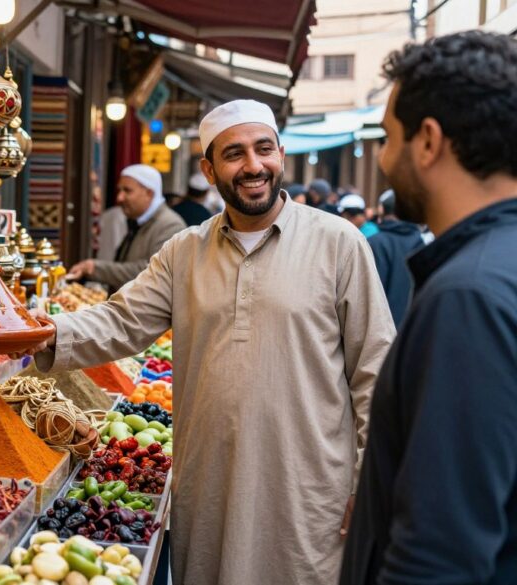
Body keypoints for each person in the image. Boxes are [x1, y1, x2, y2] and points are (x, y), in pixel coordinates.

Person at [24, 99, 395, 585]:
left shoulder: (339, 243)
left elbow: (377, 367)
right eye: (234, 154)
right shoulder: (184, 251)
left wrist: (367, 483)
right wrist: (42, 332)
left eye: (264, 149)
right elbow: (121, 320)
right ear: (210, 168)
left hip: (308, 486)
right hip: (210, 487)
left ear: (281, 154)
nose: (253, 166)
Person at [341, 31, 517, 585]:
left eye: (388, 137)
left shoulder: (468, 297)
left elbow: (438, 552)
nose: (383, 156)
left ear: (428, 141)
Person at [69, 164, 186, 289]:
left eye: (127, 190)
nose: (120, 197)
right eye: (119, 190)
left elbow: (150, 270)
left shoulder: (170, 225)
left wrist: (93, 268)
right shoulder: (138, 221)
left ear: (149, 193)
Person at [366, 190, 424, 327]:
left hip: (381, 329)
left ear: (382, 210)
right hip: (413, 328)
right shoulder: (422, 241)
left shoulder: (374, 242)